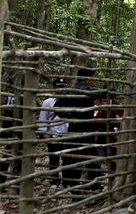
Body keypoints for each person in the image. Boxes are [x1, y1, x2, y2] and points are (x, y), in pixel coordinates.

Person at [55, 67, 104, 195]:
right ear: (87, 79)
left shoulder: (70, 91)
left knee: (72, 157)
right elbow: (102, 93)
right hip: (85, 128)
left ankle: (71, 184)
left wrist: (69, 117)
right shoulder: (85, 90)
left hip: (74, 127)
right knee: (91, 157)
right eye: (92, 78)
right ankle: (93, 186)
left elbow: (57, 107)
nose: (94, 80)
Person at [38, 77, 69, 186]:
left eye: (63, 87)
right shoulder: (48, 102)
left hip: (66, 134)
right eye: (58, 87)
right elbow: (43, 118)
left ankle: (66, 181)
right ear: (54, 87)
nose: (60, 89)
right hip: (53, 134)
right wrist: (44, 133)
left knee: (67, 158)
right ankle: (55, 180)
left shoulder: (69, 100)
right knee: (54, 159)